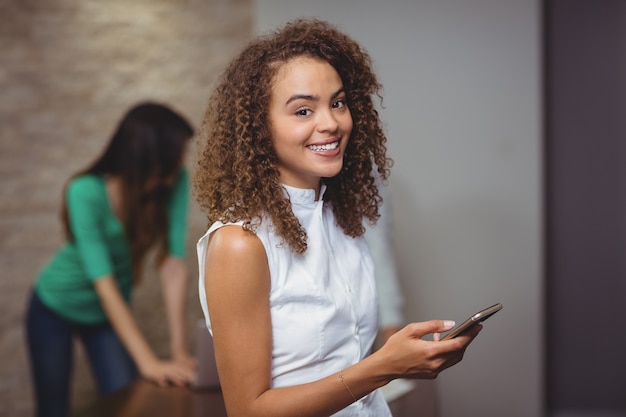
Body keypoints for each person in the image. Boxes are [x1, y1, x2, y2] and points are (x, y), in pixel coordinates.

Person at [194, 18, 482, 417]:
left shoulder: (342, 219)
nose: (330, 123)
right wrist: (384, 367)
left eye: (338, 102)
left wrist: (403, 356)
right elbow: (249, 411)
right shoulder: (240, 243)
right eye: (303, 110)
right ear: (259, 126)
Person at [25, 102, 197, 417]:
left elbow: (173, 264)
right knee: (53, 409)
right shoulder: (83, 191)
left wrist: (178, 351)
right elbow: (103, 284)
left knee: (127, 399)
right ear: (150, 156)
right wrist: (148, 361)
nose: (183, 161)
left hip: (105, 315)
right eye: (177, 152)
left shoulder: (173, 182)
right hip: (54, 307)